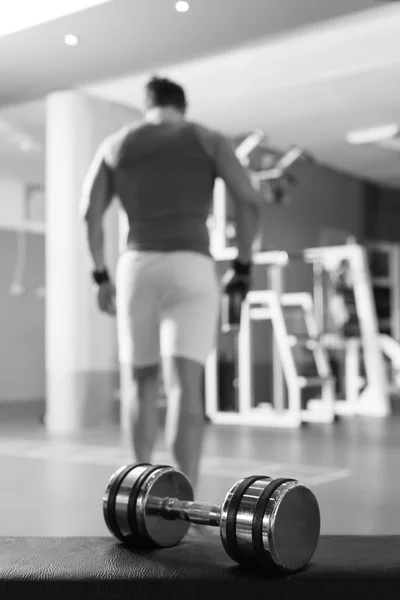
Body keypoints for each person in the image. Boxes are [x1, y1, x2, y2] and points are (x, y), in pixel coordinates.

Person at [80, 76, 262, 490]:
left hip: (138, 266)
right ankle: (186, 498)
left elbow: (87, 215)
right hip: (193, 265)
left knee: (140, 380)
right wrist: (244, 266)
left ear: (148, 106)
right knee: (185, 385)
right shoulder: (207, 139)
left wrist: (99, 274)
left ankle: (137, 491)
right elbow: (250, 203)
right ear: (183, 105)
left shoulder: (117, 144)